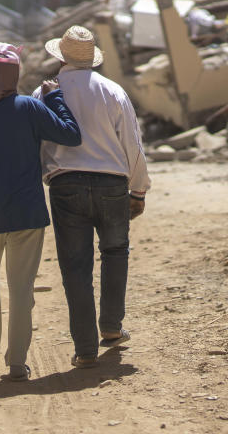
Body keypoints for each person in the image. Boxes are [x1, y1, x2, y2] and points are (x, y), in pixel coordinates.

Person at [0, 43, 82, 382]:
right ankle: (17, 362)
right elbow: (71, 135)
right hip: (27, 214)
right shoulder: (28, 108)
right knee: (22, 288)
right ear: (15, 75)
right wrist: (54, 99)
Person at [32, 25, 151, 369]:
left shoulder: (44, 94)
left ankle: (85, 348)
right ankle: (112, 327)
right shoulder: (112, 90)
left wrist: (46, 175)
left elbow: (38, 144)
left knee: (75, 267)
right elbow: (132, 144)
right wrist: (138, 190)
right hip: (112, 185)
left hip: (66, 186)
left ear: (60, 56)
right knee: (116, 252)